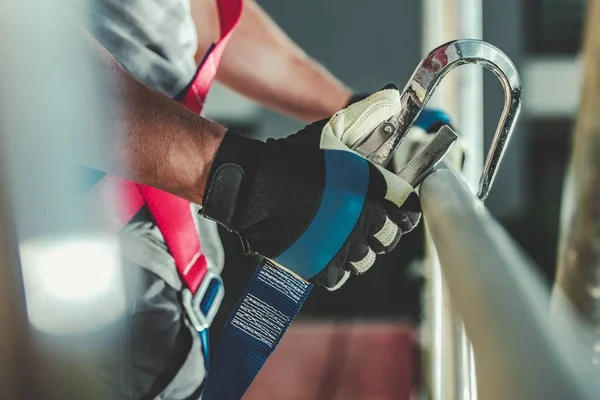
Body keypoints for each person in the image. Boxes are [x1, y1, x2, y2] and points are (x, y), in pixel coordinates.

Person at [71, 0, 421, 398]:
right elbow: (23, 54)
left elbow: (199, 12)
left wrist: (350, 107)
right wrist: (250, 184)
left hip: (161, 284)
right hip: (86, 288)